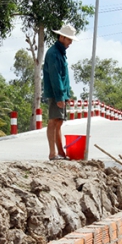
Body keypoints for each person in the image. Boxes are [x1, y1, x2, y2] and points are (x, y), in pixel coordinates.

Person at [43, 24, 78, 161]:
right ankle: (53, 153)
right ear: (62, 37)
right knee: (53, 121)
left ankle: (60, 153)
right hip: (55, 93)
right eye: (69, 39)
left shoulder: (61, 53)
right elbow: (55, 76)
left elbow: (64, 77)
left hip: (61, 93)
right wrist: (59, 96)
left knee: (58, 122)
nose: (70, 42)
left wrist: (66, 95)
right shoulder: (53, 53)